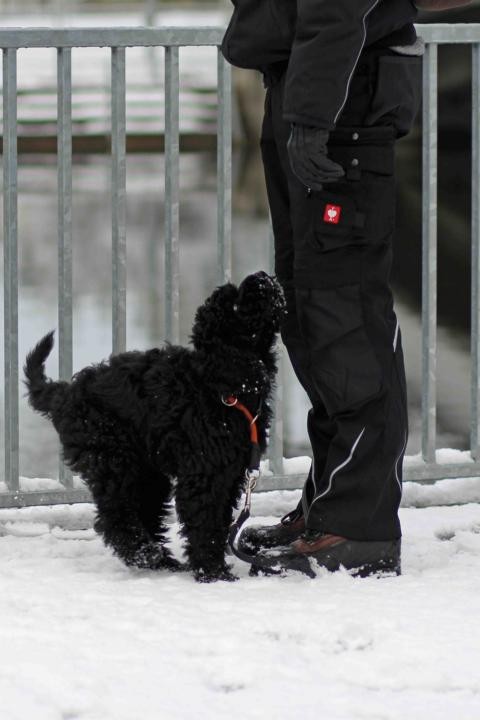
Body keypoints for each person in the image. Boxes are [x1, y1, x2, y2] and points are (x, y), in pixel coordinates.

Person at [220, 0, 453, 577]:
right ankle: (331, 505)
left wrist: (312, 116)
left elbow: (337, 8)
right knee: (311, 313)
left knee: (342, 315)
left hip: (340, 106)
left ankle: (358, 530)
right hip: (320, 93)